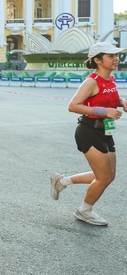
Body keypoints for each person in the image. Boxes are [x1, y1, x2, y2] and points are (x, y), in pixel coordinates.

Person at [50, 42, 127, 226]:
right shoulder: (91, 81)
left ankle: (62, 181)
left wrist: (122, 102)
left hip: (105, 130)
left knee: (108, 175)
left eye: (116, 55)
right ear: (98, 60)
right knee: (104, 177)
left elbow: (111, 99)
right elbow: (73, 106)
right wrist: (105, 111)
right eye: (111, 56)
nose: (116, 59)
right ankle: (84, 210)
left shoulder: (111, 78)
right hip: (88, 131)